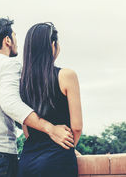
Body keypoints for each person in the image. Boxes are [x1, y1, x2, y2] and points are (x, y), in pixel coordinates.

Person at [0, 18, 75, 177]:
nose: (17, 42)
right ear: (7, 40)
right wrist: (50, 129)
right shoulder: (9, 64)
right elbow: (10, 103)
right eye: (15, 36)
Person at [18, 22, 83, 177]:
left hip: (27, 161)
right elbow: (77, 127)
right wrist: (68, 146)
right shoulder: (67, 75)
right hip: (58, 161)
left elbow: (26, 129)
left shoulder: (22, 82)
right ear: (53, 45)